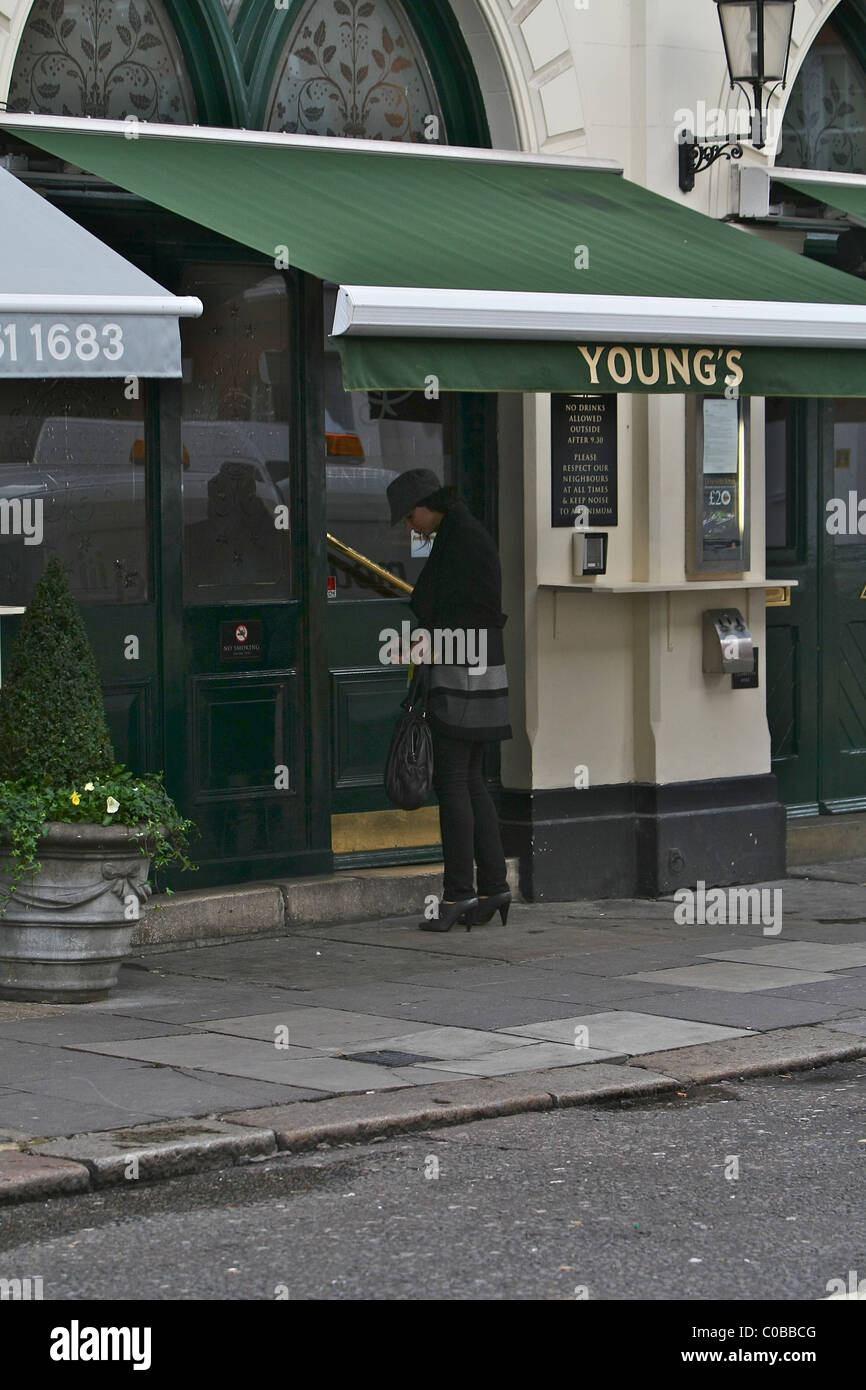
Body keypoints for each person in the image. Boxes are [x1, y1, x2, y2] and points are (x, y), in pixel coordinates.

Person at [385, 468, 512, 933]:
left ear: (427, 504)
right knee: (473, 779)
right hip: (484, 664)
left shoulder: (455, 540)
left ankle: (459, 893)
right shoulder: (467, 532)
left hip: (459, 667)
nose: (408, 525)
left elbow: (428, 602)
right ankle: (495, 885)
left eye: (408, 515)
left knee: (454, 781)